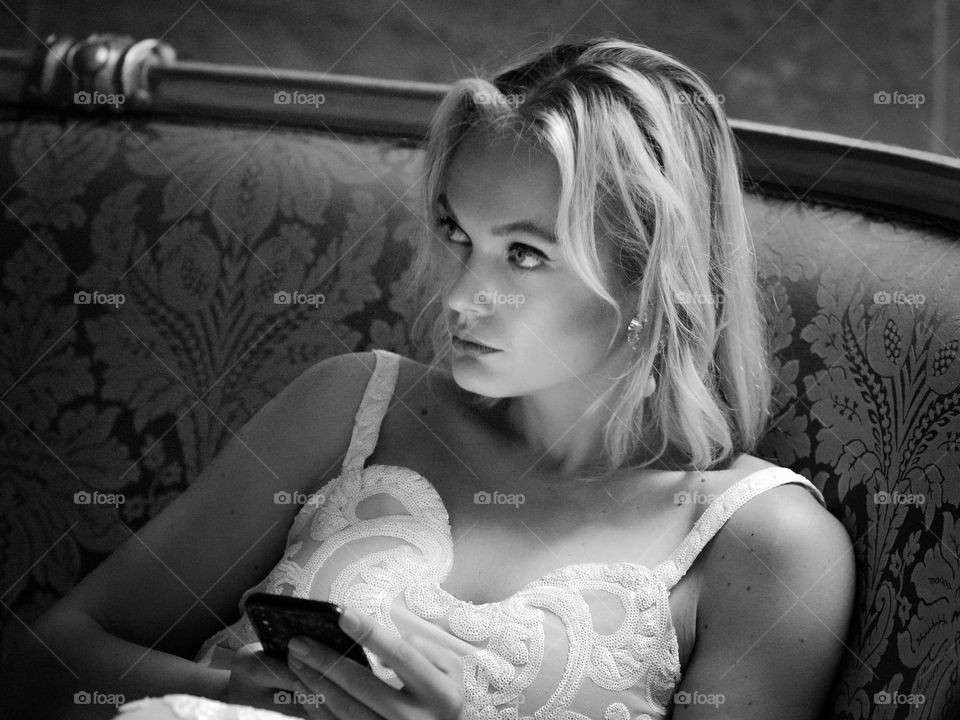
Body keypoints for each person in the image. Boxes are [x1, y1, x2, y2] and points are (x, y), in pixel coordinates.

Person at [1, 37, 855, 720]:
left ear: (650, 275)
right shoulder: (352, 406)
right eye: (457, 235)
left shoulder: (768, 546)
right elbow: (44, 661)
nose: (458, 297)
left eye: (525, 254)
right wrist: (236, 691)